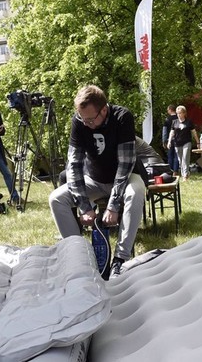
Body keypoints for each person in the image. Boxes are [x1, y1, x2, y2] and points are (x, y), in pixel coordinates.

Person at [48, 85, 145, 279]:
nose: (87, 124)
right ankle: (78, 259)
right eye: (83, 119)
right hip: (93, 179)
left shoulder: (122, 117)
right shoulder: (80, 121)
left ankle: (120, 260)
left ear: (104, 109)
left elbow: (125, 165)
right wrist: (84, 206)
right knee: (56, 199)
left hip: (124, 179)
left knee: (136, 192)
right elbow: (74, 165)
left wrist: (113, 205)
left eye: (91, 119)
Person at [167, 105, 198, 181]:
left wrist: (198, 142)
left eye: (180, 113)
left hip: (187, 142)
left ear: (184, 113)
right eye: (177, 113)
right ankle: (185, 173)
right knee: (180, 160)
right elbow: (172, 132)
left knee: (185, 158)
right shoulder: (174, 122)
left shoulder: (189, 122)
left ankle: (185, 175)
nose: (179, 115)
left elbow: (194, 132)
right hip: (177, 143)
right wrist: (169, 141)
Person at [161, 105, 179, 175]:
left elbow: (164, 131)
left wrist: (164, 141)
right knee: (176, 155)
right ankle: (175, 171)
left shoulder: (167, 119)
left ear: (170, 110)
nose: (167, 111)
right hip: (178, 139)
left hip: (170, 140)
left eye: (168, 110)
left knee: (170, 155)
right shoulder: (179, 118)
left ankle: (170, 170)